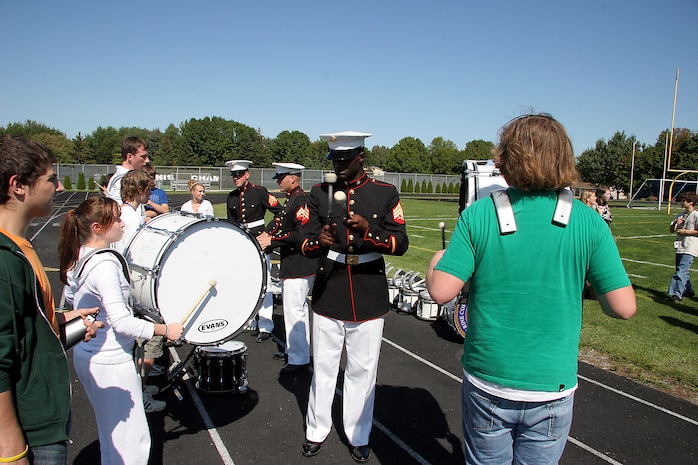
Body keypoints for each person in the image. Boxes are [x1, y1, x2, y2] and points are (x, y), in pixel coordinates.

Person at [425, 114, 636, 465]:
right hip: (552, 384)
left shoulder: (479, 215)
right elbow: (623, 307)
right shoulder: (588, 221)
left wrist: (436, 259)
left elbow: (442, 292)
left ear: (507, 158)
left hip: (490, 381)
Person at [299, 131, 408, 463]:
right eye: (334, 160)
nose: (338, 166)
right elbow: (304, 243)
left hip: (367, 291)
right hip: (329, 289)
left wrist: (368, 232)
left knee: (363, 370)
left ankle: (358, 433)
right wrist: (321, 239)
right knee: (324, 367)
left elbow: (400, 242)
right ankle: (316, 429)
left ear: (361, 156)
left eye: (344, 160)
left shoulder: (384, 192)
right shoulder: (319, 193)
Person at [59, 196, 183, 465]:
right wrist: (165, 329)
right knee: (132, 444)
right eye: (115, 219)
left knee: (113, 437)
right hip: (111, 361)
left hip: (88, 354)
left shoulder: (79, 254)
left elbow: (72, 298)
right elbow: (121, 321)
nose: (122, 224)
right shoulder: (104, 265)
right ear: (97, 227)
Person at [0, 134, 101, 465]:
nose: (59, 188)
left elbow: (22, 327)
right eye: (51, 179)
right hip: (29, 431)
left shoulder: (20, 246)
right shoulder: (4, 259)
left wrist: (61, 321)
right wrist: (10, 449)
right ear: (19, 186)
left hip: (42, 417)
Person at [256, 163, 318, 374]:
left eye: (281, 177)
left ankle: (299, 359)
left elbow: (299, 234)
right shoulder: (291, 199)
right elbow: (279, 221)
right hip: (293, 263)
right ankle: (296, 350)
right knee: (295, 310)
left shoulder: (300, 200)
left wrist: (271, 239)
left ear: (293, 178)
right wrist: (265, 234)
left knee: (294, 311)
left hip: (299, 264)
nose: (278, 181)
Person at [225, 160, 282, 342]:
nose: (236, 178)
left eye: (240, 174)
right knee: (245, 283)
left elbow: (280, 213)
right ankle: (249, 320)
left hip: (259, 240)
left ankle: (266, 324)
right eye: (234, 175)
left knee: (264, 283)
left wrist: (268, 233)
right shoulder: (232, 197)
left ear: (247, 174)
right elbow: (232, 223)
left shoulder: (259, 192)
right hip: (243, 242)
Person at [667, 192, 698, 302]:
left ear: (690, 202)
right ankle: (688, 290)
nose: (681, 203)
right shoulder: (681, 215)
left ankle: (676, 294)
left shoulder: (695, 215)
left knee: (681, 271)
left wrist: (686, 231)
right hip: (680, 246)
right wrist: (675, 223)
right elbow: (671, 230)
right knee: (682, 270)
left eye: (683, 201)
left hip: (690, 246)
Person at [105, 136, 150, 204]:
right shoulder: (120, 181)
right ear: (129, 157)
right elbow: (119, 212)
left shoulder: (128, 178)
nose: (147, 160)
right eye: (143, 156)